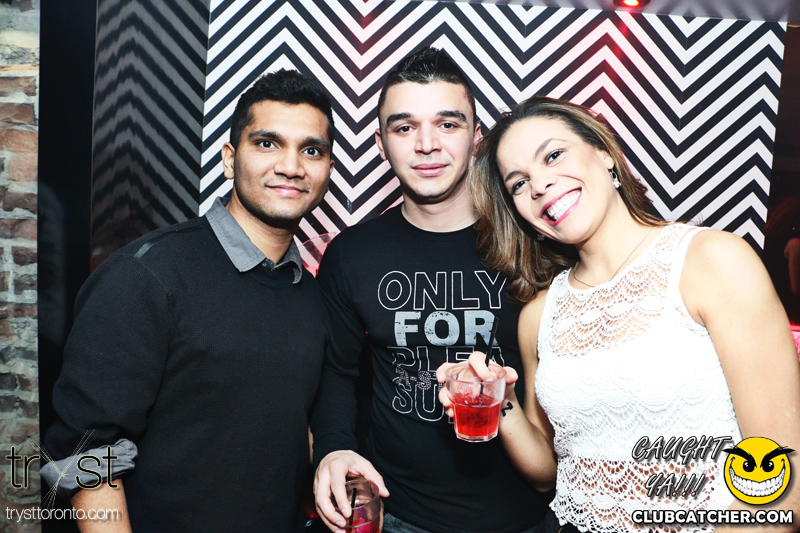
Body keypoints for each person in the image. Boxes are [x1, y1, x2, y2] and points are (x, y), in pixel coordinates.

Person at [437, 96, 800, 532]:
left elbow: (782, 483)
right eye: (519, 183)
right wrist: (501, 399)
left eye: (553, 155)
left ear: (605, 153)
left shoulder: (712, 261)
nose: (539, 185)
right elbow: (547, 473)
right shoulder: (539, 313)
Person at [42, 69, 335, 532]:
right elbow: (84, 452)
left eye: (311, 150)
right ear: (229, 159)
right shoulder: (146, 275)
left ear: (329, 169)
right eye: (267, 143)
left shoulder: (311, 294)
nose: (291, 166)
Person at [310, 47, 549, 533]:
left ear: (476, 137)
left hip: (525, 518)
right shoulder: (351, 255)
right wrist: (334, 449)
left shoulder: (534, 243)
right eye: (404, 127)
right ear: (381, 144)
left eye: (447, 123)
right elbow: (337, 372)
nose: (426, 144)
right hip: (399, 516)